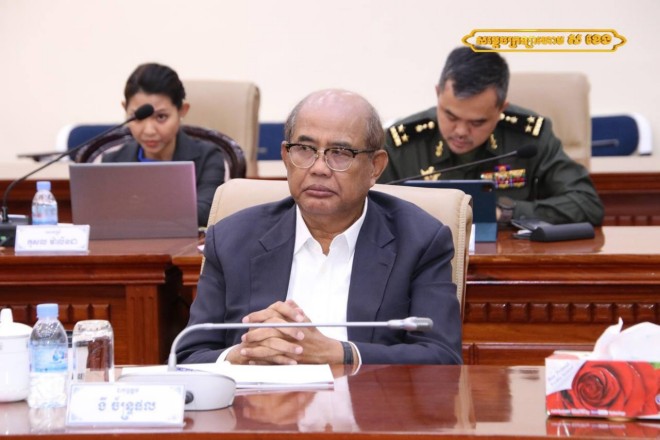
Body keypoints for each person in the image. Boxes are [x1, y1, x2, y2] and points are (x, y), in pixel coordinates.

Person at [176, 89, 462, 367]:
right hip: (260, 398)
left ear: (375, 167)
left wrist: (342, 354)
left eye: (340, 152)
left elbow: (442, 357)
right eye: (305, 149)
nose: (319, 168)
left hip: (366, 400)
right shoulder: (233, 239)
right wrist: (241, 355)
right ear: (286, 156)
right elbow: (188, 356)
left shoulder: (419, 240)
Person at [378, 47, 604, 226]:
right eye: (451, 116)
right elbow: (369, 210)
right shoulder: (402, 142)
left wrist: (506, 212)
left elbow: (587, 204)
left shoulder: (529, 138)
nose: (461, 131)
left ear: (501, 109)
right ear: (438, 94)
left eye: (477, 122)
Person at [102, 63, 225, 227]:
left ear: (182, 111)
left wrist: (136, 210)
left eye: (161, 117)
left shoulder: (208, 157)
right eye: (138, 117)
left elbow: (205, 213)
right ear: (125, 109)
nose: (149, 130)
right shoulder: (112, 161)